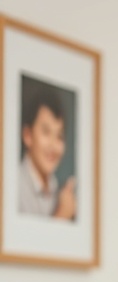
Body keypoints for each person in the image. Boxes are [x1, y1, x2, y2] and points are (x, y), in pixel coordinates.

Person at [19, 81, 76, 220]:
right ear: (28, 135)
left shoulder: (59, 191)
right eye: (46, 132)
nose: (53, 146)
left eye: (59, 136)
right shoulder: (13, 187)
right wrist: (61, 216)